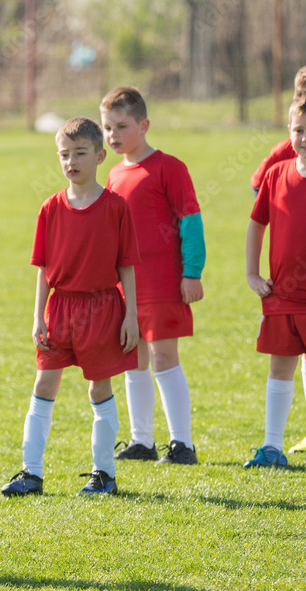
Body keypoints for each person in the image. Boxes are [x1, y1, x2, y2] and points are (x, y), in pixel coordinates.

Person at [2, 117, 140, 498]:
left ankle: (104, 474)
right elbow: (44, 269)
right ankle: (31, 473)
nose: (71, 161)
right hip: (59, 310)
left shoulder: (116, 207)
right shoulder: (50, 208)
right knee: (44, 383)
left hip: (102, 309)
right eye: (64, 154)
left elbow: (127, 265)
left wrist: (131, 314)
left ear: (100, 155)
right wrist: (37, 316)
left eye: (80, 153)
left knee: (99, 389)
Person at [99, 86, 206, 466]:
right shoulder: (112, 174)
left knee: (164, 357)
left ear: (144, 125)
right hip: (126, 289)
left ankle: (182, 444)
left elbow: (191, 223)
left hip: (163, 283)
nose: (112, 135)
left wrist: (191, 273)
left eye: (121, 126)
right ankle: (141, 440)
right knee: (133, 358)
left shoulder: (169, 168)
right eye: (107, 127)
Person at [243, 91, 306, 468]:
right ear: (288, 130)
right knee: (279, 369)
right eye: (299, 130)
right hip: (282, 296)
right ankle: (272, 447)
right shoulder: (275, 174)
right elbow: (257, 224)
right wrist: (253, 274)